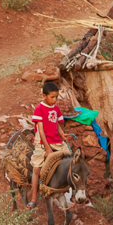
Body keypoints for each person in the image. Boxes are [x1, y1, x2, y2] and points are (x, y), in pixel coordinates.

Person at [28, 81, 70, 209]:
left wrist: (62, 135)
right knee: (36, 168)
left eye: (56, 97)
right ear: (44, 96)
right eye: (52, 97)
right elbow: (41, 131)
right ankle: (34, 198)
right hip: (42, 142)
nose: (55, 99)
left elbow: (57, 125)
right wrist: (47, 148)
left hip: (56, 141)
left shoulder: (56, 108)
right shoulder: (39, 109)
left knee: (71, 161)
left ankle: (72, 193)